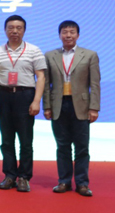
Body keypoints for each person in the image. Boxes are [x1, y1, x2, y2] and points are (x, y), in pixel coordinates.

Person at [0, 15, 45, 193]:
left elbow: (41, 77)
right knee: (6, 140)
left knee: (25, 140)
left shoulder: (34, 50)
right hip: (3, 96)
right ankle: (10, 175)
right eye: (11, 28)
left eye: (18, 28)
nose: (14, 31)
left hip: (25, 96)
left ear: (24, 30)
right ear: (5, 30)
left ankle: (24, 177)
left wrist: (36, 101)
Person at [43, 20, 100, 197]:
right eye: (65, 32)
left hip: (81, 106)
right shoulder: (50, 55)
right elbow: (46, 84)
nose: (68, 35)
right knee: (62, 146)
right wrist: (47, 106)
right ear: (59, 35)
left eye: (72, 32)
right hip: (58, 105)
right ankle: (64, 181)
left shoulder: (89, 55)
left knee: (82, 147)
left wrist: (94, 108)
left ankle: (82, 183)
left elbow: (95, 84)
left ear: (78, 35)